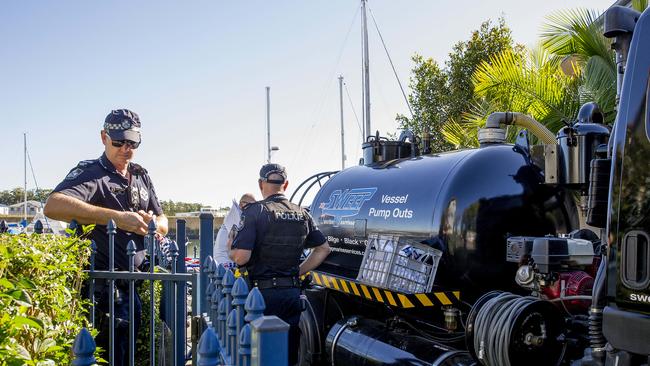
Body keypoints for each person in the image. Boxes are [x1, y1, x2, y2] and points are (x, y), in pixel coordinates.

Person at [44, 108, 168, 366]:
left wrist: (153, 224)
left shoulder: (141, 175)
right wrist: (117, 218)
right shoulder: (92, 172)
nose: (126, 147)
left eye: (132, 142)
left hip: (131, 282)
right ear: (103, 137)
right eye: (119, 141)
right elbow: (53, 205)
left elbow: (163, 218)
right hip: (101, 285)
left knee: (126, 355)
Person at [229, 163, 331, 366]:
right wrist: (298, 271)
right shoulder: (302, 213)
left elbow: (241, 258)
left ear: (261, 184)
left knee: (261, 356)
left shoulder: (255, 211)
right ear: (286, 184)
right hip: (291, 295)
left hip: (262, 297)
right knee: (289, 356)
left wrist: (230, 247)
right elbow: (323, 249)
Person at [213, 193, 256, 266]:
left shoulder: (238, 214)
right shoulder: (235, 216)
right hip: (224, 264)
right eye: (251, 206)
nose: (254, 209)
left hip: (226, 261)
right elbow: (242, 242)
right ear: (241, 204)